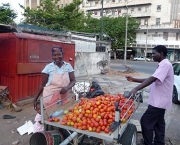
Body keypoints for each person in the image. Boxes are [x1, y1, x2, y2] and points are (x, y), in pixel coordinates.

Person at [125, 45, 174, 145]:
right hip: (161, 101)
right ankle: (159, 142)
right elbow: (152, 78)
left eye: (154, 53)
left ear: (161, 53)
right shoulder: (163, 64)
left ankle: (148, 143)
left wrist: (136, 88)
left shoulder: (165, 65)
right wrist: (134, 80)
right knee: (159, 124)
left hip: (159, 102)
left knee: (145, 122)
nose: (152, 56)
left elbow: (152, 79)